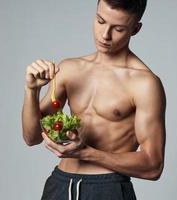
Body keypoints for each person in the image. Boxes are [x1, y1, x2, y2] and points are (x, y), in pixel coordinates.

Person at [21, 0, 166, 199]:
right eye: (100, 21)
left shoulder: (144, 83)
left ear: (135, 29)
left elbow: (153, 165)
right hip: (60, 184)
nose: (105, 35)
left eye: (118, 28)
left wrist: (86, 153)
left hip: (108, 189)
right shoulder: (70, 69)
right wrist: (31, 91)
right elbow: (31, 137)